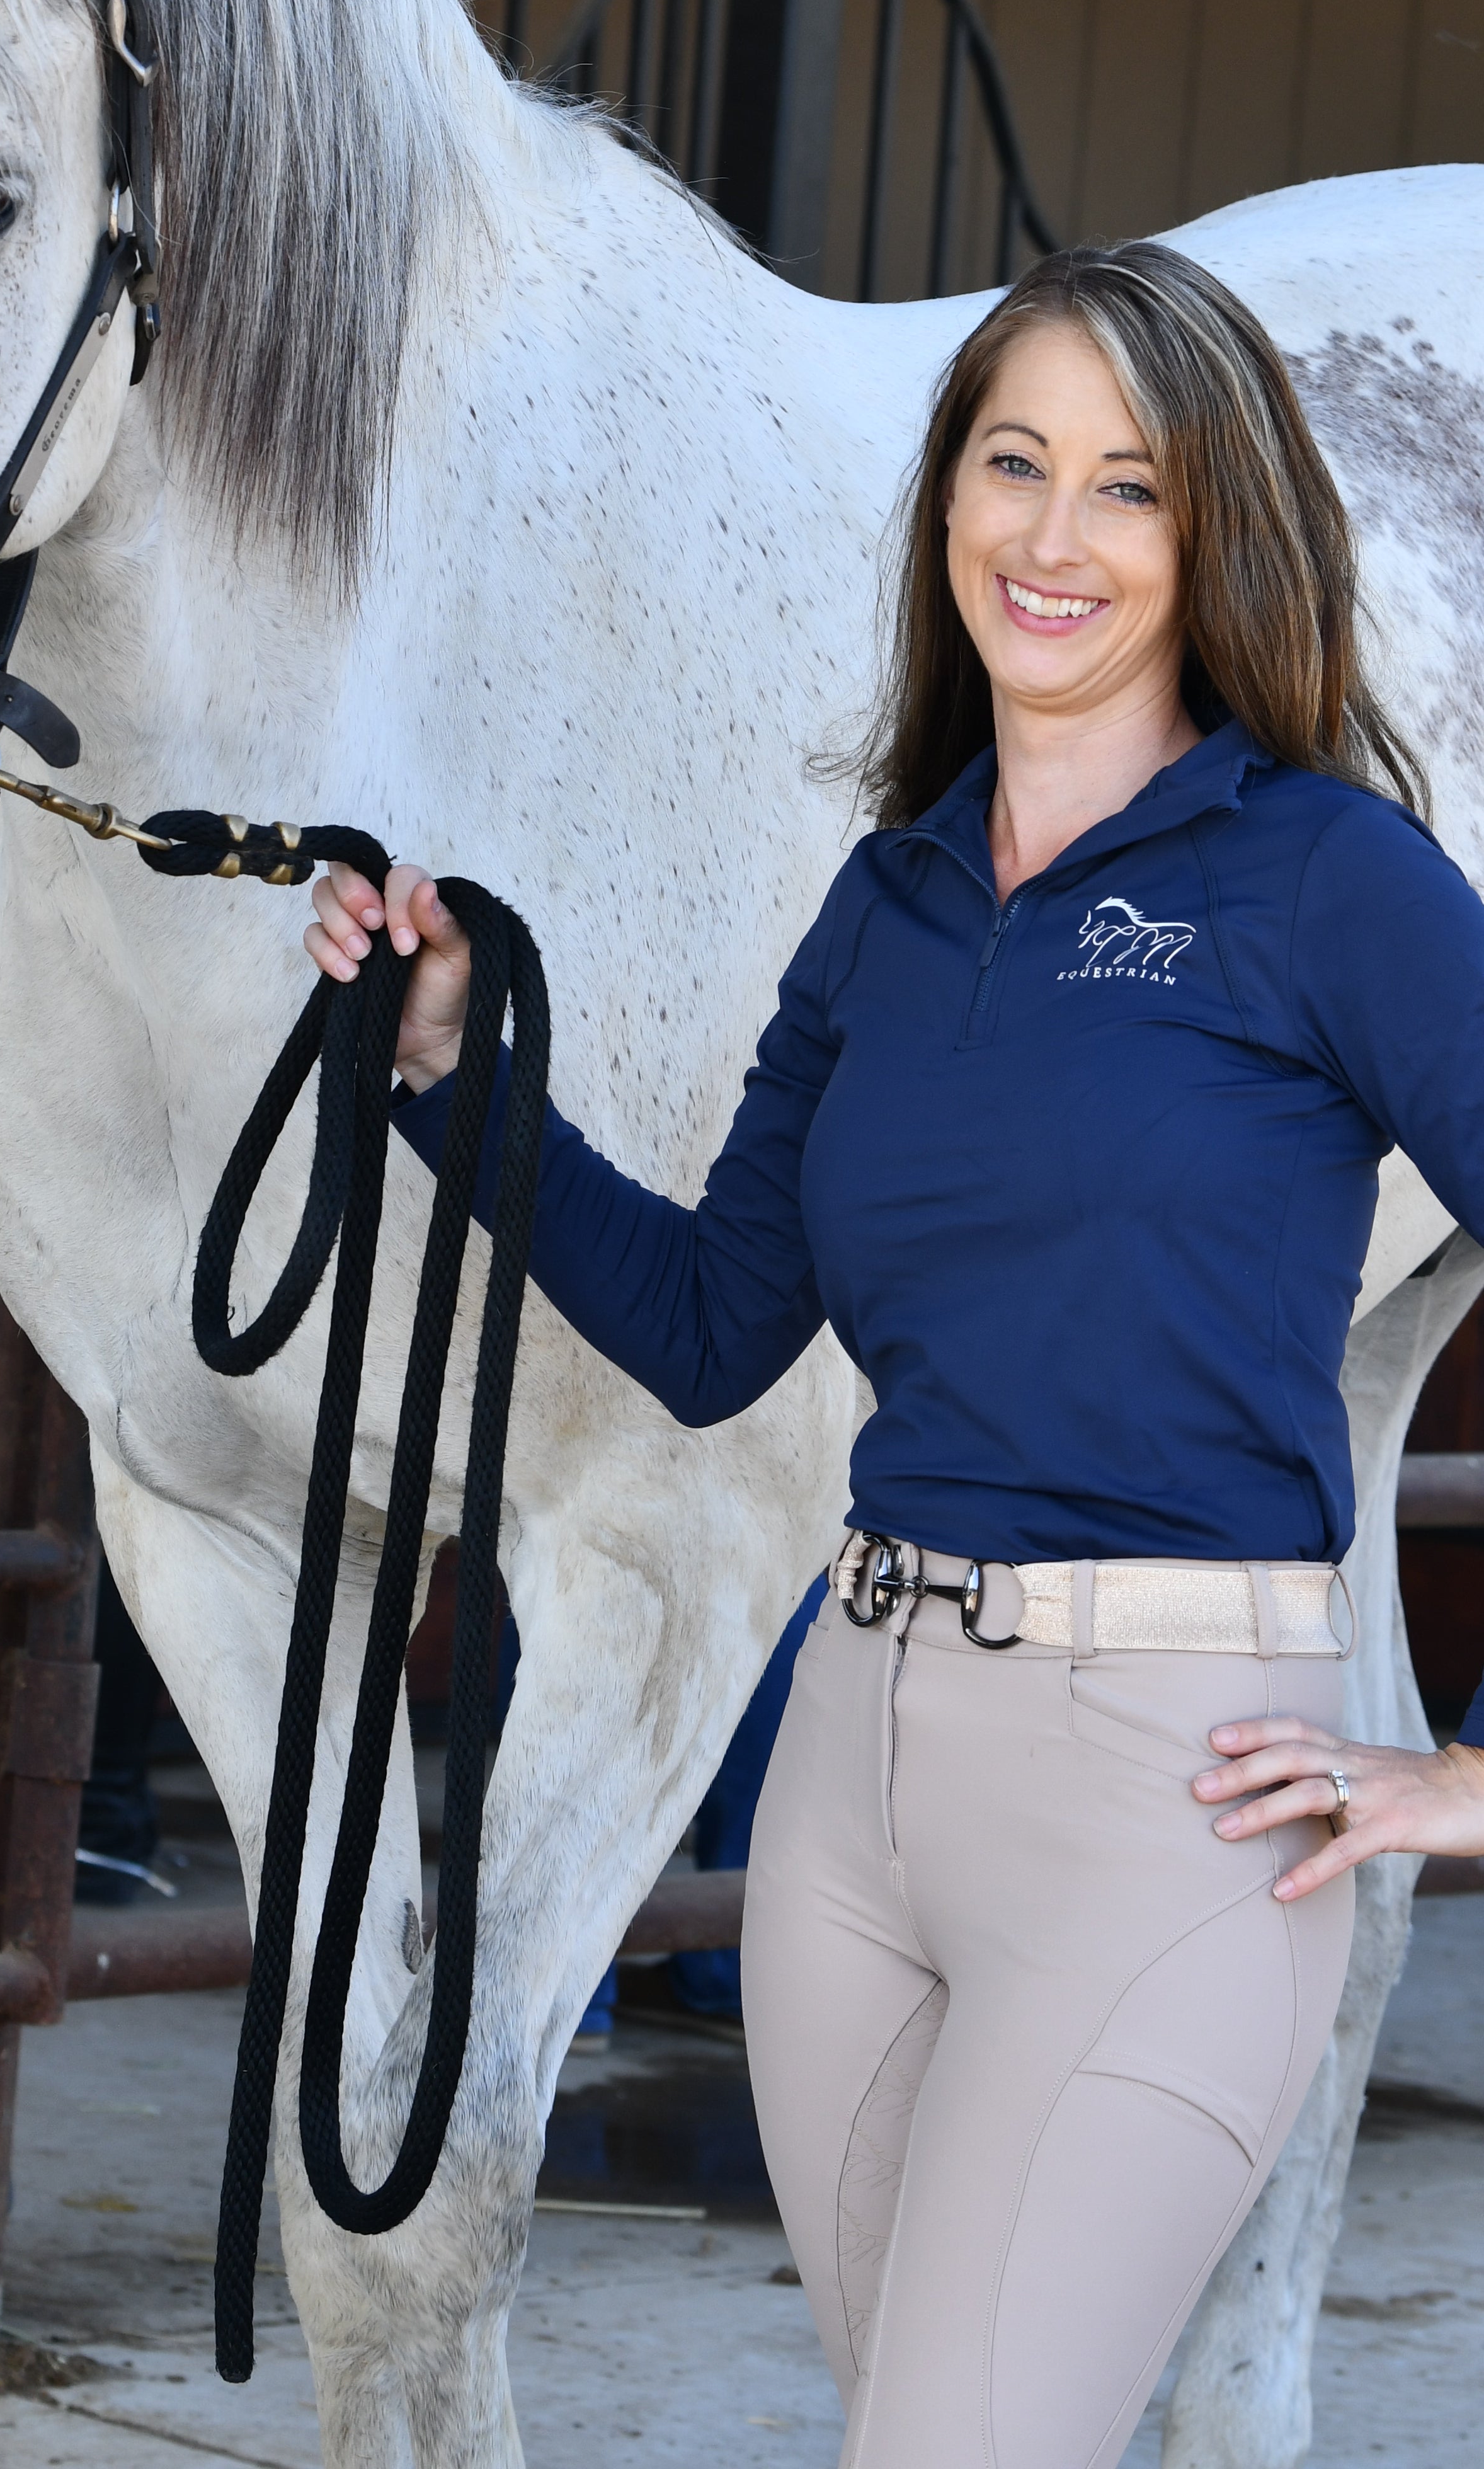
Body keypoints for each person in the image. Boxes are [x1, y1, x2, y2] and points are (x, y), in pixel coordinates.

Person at [304, 239, 1484, 2469]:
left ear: (1224, 528)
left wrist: (1469, 1790)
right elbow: (717, 1328)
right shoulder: (893, 900)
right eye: (1011, 465)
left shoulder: (1335, 885)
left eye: (1128, 489)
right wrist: (452, 1079)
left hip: (1176, 1790)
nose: (1053, 536)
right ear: (946, 501)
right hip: (854, 1784)